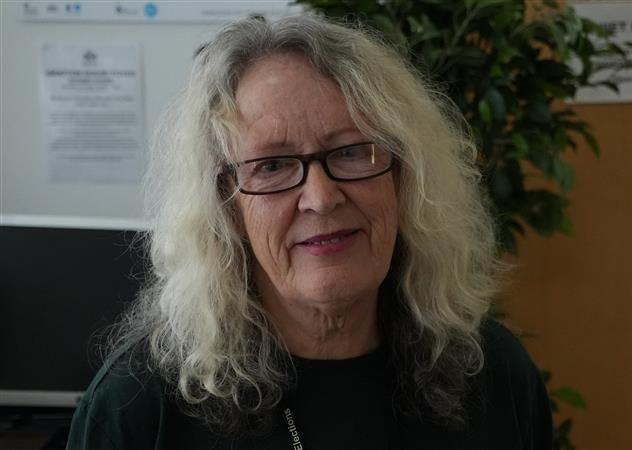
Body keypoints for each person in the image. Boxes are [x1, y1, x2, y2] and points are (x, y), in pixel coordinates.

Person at [67, 14, 553, 450]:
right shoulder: (137, 406)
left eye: (350, 152)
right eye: (272, 165)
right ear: (226, 208)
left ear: (404, 181)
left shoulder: (491, 372)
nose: (320, 197)